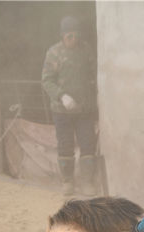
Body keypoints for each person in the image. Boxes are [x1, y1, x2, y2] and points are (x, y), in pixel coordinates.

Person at [42, 16, 98, 196]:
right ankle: (68, 181)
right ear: (62, 36)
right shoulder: (53, 53)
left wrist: (94, 97)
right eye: (69, 36)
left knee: (87, 144)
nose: (72, 40)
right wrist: (62, 96)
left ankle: (87, 182)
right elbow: (47, 80)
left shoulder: (86, 50)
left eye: (75, 36)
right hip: (62, 110)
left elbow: (94, 75)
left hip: (84, 109)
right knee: (65, 146)